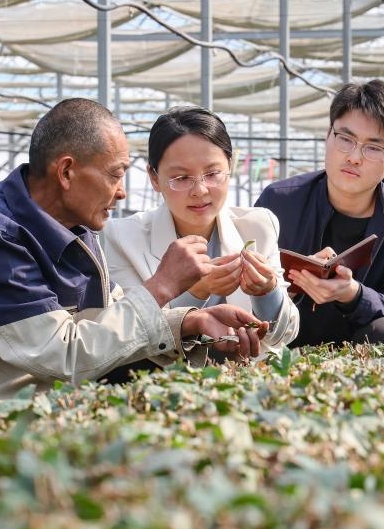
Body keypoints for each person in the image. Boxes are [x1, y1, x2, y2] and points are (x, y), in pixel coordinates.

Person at [0, 98, 268, 432]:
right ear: (66, 172)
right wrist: (162, 285)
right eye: (116, 174)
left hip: (5, 411)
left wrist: (187, 322)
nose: (122, 192)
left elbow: (105, 318)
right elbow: (61, 353)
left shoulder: (72, 228)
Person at [103, 106, 299, 358]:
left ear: (231, 165)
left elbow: (284, 334)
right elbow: (127, 336)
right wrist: (196, 292)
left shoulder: (258, 225)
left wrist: (267, 293)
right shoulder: (122, 237)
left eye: (212, 173)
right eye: (181, 178)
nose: (200, 190)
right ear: (154, 177)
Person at [255, 79, 384, 346]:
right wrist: (288, 285)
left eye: (374, 147)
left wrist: (352, 293)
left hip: (364, 346)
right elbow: (247, 293)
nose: (354, 157)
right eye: (345, 139)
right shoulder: (279, 201)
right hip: (288, 340)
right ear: (328, 135)